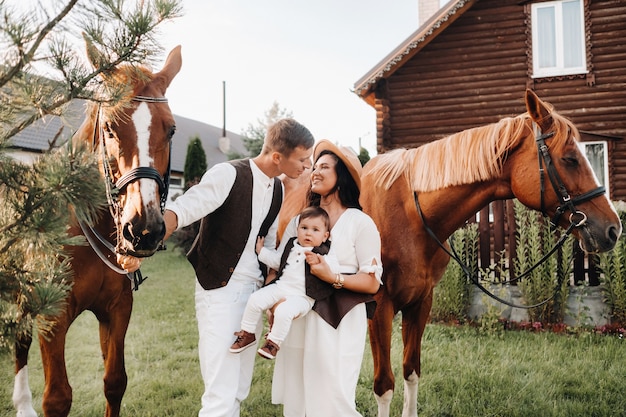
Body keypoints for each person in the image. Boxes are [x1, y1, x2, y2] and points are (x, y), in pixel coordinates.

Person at [121, 118, 315, 417]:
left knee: (239, 387)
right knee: (221, 392)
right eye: (303, 159)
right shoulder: (229, 173)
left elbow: (270, 246)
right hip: (221, 292)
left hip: (253, 296)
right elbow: (185, 208)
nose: (308, 165)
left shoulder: (277, 188)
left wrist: (276, 291)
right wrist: (145, 242)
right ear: (278, 157)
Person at [271, 139, 383, 417]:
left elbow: (372, 283)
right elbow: (280, 267)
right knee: (297, 397)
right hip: (300, 315)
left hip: (339, 320)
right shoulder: (301, 221)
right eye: (315, 167)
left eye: (324, 167)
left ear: (341, 176)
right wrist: (275, 306)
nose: (315, 172)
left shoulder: (360, 222)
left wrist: (332, 276)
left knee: (333, 399)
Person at [229, 205, 340, 360]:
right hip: (281, 287)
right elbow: (277, 261)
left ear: (325, 236)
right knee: (255, 299)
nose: (308, 232)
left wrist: (321, 263)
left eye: (315, 230)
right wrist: (261, 251)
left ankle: (273, 343)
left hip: (303, 296)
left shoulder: (325, 252)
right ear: (297, 229)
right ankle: (247, 333)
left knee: (284, 312)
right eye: (304, 228)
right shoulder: (292, 245)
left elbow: (334, 269)